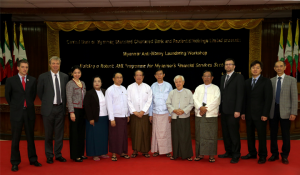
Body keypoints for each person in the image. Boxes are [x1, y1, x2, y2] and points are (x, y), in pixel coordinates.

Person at [5, 60, 42, 172]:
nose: (25, 69)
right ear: (18, 68)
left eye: (26, 67)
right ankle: (15, 162)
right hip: (16, 113)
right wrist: (16, 106)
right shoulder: (11, 80)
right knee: (15, 139)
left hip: (29, 112)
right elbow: (8, 96)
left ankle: (33, 159)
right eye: (23, 67)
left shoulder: (32, 80)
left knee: (30, 137)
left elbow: (32, 95)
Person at [37, 56, 69, 164]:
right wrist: (47, 102)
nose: (55, 65)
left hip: (60, 108)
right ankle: (49, 155)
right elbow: (40, 93)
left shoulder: (64, 76)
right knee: (49, 134)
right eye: (53, 63)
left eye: (57, 63)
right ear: (50, 64)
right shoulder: (43, 77)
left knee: (59, 134)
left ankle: (58, 154)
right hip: (48, 109)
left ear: (60, 65)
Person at [241, 60, 273, 164]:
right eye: (253, 67)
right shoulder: (246, 82)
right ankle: (252, 153)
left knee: (261, 136)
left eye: (257, 68)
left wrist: (265, 114)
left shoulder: (266, 81)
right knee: (250, 135)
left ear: (261, 70)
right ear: (250, 69)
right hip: (249, 114)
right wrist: (243, 112)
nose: (255, 69)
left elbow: (268, 99)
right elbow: (244, 99)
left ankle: (263, 155)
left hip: (260, 115)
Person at [268, 61, 297, 164]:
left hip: (286, 111)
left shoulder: (291, 80)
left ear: (285, 67)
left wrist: (293, 112)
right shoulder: (271, 81)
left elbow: (294, 97)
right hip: (273, 110)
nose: (279, 68)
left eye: (281, 66)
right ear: (274, 68)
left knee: (285, 134)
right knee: (273, 134)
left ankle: (285, 155)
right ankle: (274, 154)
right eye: (277, 66)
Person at [218, 58, 244, 164]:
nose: (228, 66)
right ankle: (228, 152)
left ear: (234, 66)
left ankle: (236, 154)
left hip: (234, 111)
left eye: (230, 64)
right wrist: (219, 109)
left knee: (234, 134)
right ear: (224, 66)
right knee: (226, 133)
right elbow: (221, 95)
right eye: (226, 64)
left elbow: (240, 95)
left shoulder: (239, 77)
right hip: (224, 111)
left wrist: (238, 110)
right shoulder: (223, 77)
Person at [193, 70, 220, 163]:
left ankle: (211, 155)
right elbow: (194, 99)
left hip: (211, 115)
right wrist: (200, 107)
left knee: (211, 135)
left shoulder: (216, 88)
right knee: (199, 135)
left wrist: (205, 109)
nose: (207, 78)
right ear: (202, 78)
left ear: (212, 78)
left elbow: (217, 100)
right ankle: (200, 154)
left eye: (209, 76)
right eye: (205, 76)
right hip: (199, 114)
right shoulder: (198, 88)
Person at [166, 75, 194, 161]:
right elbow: (168, 103)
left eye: (180, 81)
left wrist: (184, 110)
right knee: (175, 136)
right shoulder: (172, 92)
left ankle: (187, 155)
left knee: (185, 136)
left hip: (184, 116)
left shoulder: (188, 92)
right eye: (176, 82)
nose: (178, 83)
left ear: (183, 82)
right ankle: (175, 155)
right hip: (175, 117)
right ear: (174, 83)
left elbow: (191, 104)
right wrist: (174, 110)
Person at [127, 70, 153, 158]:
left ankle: (145, 150)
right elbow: (128, 101)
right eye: (137, 75)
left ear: (143, 77)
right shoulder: (130, 87)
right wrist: (134, 112)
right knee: (135, 132)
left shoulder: (147, 87)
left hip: (144, 114)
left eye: (140, 75)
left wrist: (142, 111)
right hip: (134, 114)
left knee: (145, 132)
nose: (139, 77)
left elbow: (149, 101)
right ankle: (135, 150)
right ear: (134, 77)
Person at [106, 72, 131, 161]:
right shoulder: (110, 90)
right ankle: (114, 153)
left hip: (123, 116)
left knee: (123, 135)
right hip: (115, 116)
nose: (119, 79)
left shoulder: (124, 88)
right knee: (114, 135)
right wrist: (111, 119)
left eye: (121, 77)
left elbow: (127, 103)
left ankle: (123, 152)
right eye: (117, 77)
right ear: (113, 79)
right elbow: (109, 105)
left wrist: (127, 114)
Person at [84, 76, 110, 161]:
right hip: (94, 118)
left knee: (103, 136)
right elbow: (87, 107)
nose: (97, 83)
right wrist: (90, 118)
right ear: (92, 83)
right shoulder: (89, 93)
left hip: (104, 117)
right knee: (93, 137)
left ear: (101, 83)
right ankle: (94, 154)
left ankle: (102, 152)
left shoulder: (105, 91)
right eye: (95, 81)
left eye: (99, 81)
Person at [149, 69, 173, 157]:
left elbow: (171, 100)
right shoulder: (152, 86)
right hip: (155, 112)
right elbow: (150, 101)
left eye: (161, 74)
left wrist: (170, 114)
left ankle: (166, 150)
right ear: (155, 76)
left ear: (164, 75)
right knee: (156, 132)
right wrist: (150, 114)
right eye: (157, 74)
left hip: (166, 113)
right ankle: (156, 150)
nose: (159, 75)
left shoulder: (168, 85)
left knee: (166, 132)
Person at [66, 65, 86, 162]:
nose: (77, 74)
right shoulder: (70, 84)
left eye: (78, 72)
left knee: (81, 133)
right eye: (75, 73)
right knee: (75, 133)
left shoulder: (83, 83)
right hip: (75, 110)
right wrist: (71, 112)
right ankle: (75, 155)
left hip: (82, 111)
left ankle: (81, 153)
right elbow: (69, 98)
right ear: (72, 74)